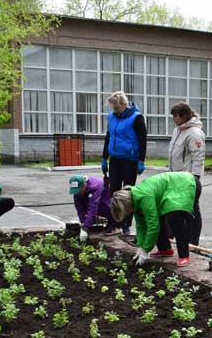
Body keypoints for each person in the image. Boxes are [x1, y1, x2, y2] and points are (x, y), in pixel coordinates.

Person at [109, 172, 201, 268]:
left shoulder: (144, 197)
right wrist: (141, 247)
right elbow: (141, 226)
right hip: (172, 188)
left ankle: (184, 255)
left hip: (185, 183)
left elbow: (153, 226)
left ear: (127, 204)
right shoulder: (135, 200)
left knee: (175, 216)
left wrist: (146, 250)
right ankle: (165, 249)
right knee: (157, 217)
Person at [102, 91, 147, 237]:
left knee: (127, 193)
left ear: (124, 105)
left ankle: (126, 224)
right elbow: (109, 137)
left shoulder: (136, 118)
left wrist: (141, 160)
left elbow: (142, 140)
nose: (115, 111)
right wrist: (104, 157)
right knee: (113, 191)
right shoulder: (112, 116)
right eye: (113, 109)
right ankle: (114, 222)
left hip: (130, 160)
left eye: (117, 108)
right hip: (115, 159)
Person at [166, 101, 205, 248]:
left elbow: (198, 156)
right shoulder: (178, 130)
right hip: (175, 176)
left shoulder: (194, 133)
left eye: (176, 116)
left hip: (187, 177)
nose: (174, 119)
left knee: (192, 210)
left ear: (184, 116)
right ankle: (178, 237)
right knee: (176, 209)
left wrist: (195, 177)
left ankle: (193, 242)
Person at [69, 175, 115, 242]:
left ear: (84, 185)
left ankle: (115, 224)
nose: (77, 193)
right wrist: (83, 223)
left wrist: (86, 227)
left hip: (106, 199)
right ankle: (91, 221)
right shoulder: (77, 191)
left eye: (79, 191)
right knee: (84, 206)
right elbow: (79, 208)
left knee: (101, 208)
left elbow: (93, 207)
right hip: (92, 198)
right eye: (75, 191)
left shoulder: (95, 187)